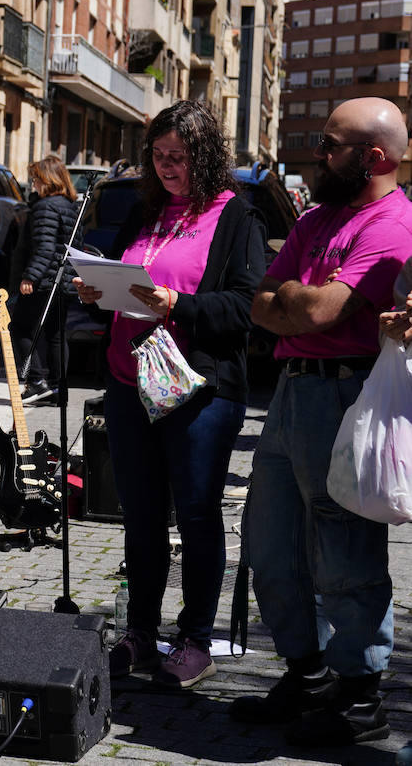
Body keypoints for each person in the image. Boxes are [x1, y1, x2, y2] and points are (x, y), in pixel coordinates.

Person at [232, 97, 412, 746]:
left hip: (345, 396)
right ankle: (306, 676)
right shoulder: (320, 217)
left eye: (329, 145)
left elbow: (314, 313)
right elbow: (263, 301)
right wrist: (297, 300)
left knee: (344, 554)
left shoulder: (391, 225)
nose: (316, 155)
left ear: (374, 158)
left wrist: (297, 300)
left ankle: (359, 699)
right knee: (270, 544)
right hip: (289, 394)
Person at [71, 101, 263, 690]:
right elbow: (127, 278)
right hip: (130, 382)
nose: (167, 167)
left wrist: (180, 306)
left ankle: (196, 638)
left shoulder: (237, 219)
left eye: (179, 157)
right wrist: (95, 291)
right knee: (142, 516)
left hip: (197, 389)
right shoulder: (144, 211)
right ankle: (140, 632)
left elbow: (246, 309)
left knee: (199, 514)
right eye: (158, 157)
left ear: (205, 157)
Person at [11, 156, 81, 405]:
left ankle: (36, 382)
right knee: (56, 335)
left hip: (44, 280)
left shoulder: (45, 207)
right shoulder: (69, 205)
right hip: (63, 281)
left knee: (18, 327)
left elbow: (45, 247)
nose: (33, 183)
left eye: (36, 178)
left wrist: (30, 276)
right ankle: (58, 389)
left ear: (47, 179)